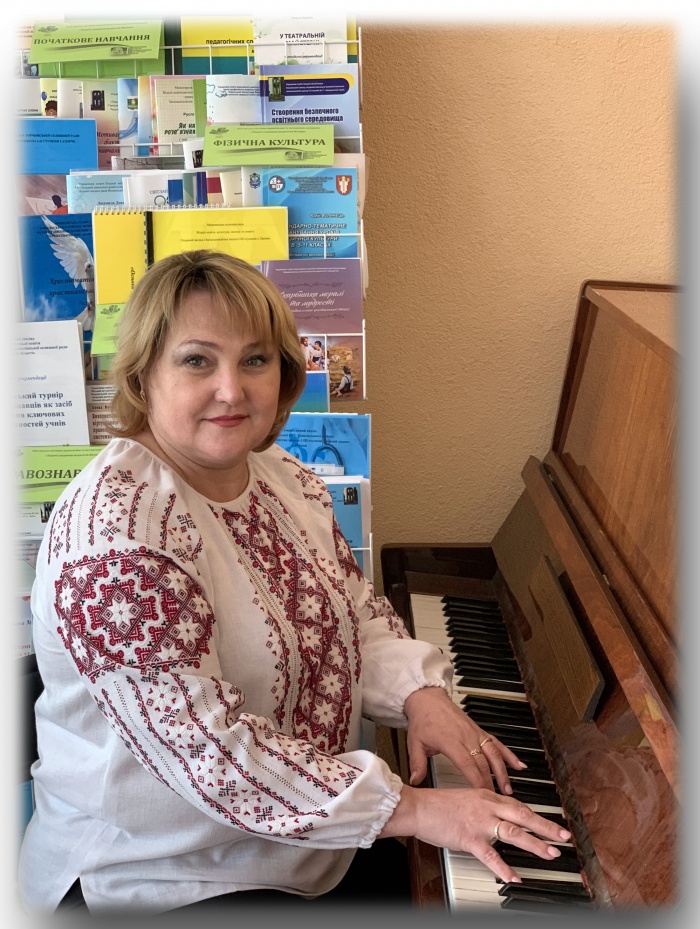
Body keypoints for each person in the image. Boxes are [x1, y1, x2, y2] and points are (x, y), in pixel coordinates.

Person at [18, 250, 570, 917]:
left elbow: (354, 611)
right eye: (197, 361)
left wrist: (420, 695)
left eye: (254, 359)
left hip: (302, 850)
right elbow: (209, 756)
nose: (232, 389)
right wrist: (416, 809)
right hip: (158, 877)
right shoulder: (116, 536)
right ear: (143, 376)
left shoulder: (283, 477)